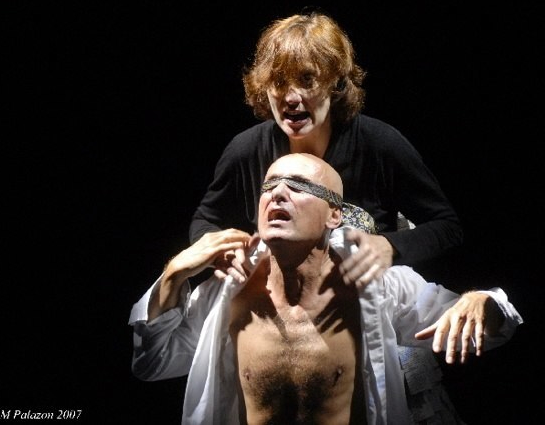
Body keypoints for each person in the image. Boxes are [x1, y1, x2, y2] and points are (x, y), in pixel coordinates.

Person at [188, 11, 465, 422]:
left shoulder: (380, 144)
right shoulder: (246, 151)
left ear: (336, 83)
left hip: (372, 331)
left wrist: (390, 246)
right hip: (283, 331)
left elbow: (447, 226)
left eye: (306, 80)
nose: (291, 97)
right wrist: (221, 250)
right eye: (278, 83)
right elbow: (205, 220)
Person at [130, 153, 523, 425]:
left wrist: (480, 301)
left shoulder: (377, 286)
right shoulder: (227, 292)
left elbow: (491, 329)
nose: (277, 193)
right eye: (269, 186)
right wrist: (174, 274)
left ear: (334, 214)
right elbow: (152, 363)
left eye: (298, 186)